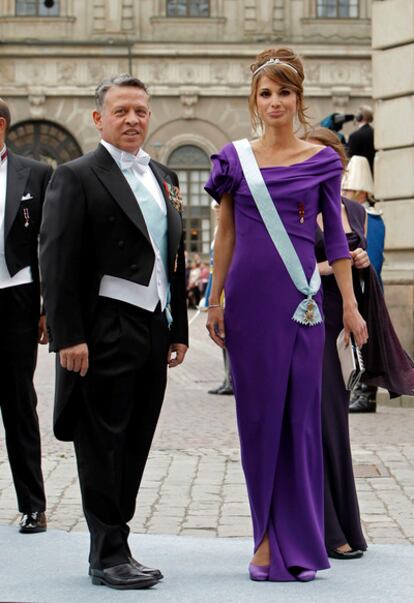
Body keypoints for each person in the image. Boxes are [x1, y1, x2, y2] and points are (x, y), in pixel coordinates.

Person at [205, 48, 368, 583]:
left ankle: (301, 539)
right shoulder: (233, 158)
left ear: (300, 100)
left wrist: (349, 303)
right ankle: (265, 538)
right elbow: (225, 233)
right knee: (258, 420)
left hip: (303, 303)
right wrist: (215, 298)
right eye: (266, 93)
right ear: (254, 99)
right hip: (250, 302)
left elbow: (338, 239)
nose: (275, 102)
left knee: (300, 421)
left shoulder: (322, 161)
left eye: (285, 92)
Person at [40, 75, 188, 590]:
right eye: (122, 110)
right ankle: (107, 553)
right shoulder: (77, 176)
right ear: (98, 118)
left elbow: (175, 253)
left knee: (136, 440)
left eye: (141, 111)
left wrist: (178, 328)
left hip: (151, 325)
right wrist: (68, 336)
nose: (133, 120)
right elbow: (56, 260)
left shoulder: (165, 175)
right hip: (101, 331)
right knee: (101, 441)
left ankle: (117, 538)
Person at [306, 126, 368, 560]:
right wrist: (334, 267)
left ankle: (346, 525)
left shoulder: (352, 209)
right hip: (308, 319)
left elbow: (361, 265)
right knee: (320, 420)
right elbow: (285, 266)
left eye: (335, 158)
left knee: (337, 422)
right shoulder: (299, 208)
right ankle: (326, 529)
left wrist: (359, 264)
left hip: (346, 322)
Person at [0, 98, 52, 534]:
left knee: (18, 402)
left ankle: (32, 504)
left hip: (15, 298)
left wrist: (47, 307)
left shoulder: (35, 173)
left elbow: (50, 245)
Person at [342, 154, 385, 412]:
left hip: (366, 284)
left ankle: (367, 393)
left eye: (347, 188)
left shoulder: (370, 216)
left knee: (366, 341)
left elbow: (372, 254)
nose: (343, 192)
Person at [204, 202, 233, 396]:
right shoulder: (217, 232)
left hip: (228, 288)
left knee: (229, 337)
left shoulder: (230, 231)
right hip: (218, 288)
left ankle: (232, 379)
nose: (216, 213)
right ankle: (227, 377)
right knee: (222, 337)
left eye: (218, 209)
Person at [347, 105, 375, 174]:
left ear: (359, 117)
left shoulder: (354, 136)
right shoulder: (376, 133)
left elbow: (350, 159)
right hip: (374, 172)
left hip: (360, 174)